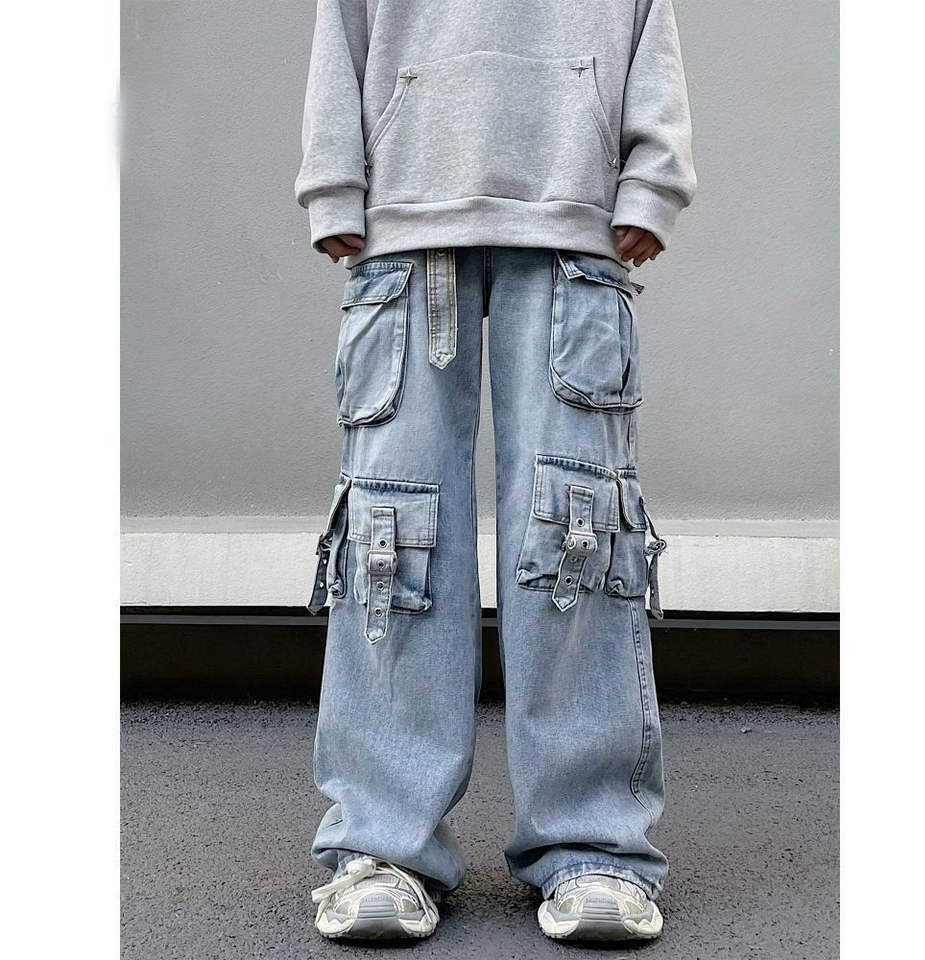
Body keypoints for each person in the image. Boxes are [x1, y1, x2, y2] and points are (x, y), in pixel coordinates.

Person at [295, 0, 695, 942]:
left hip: (571, 224)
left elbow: (651, 29)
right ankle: (382, 846)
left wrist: (652, 182)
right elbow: (341, 27)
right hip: (405, 226)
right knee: (391, 538)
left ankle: (594, 844)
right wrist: (333, 184)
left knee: (577, 532)